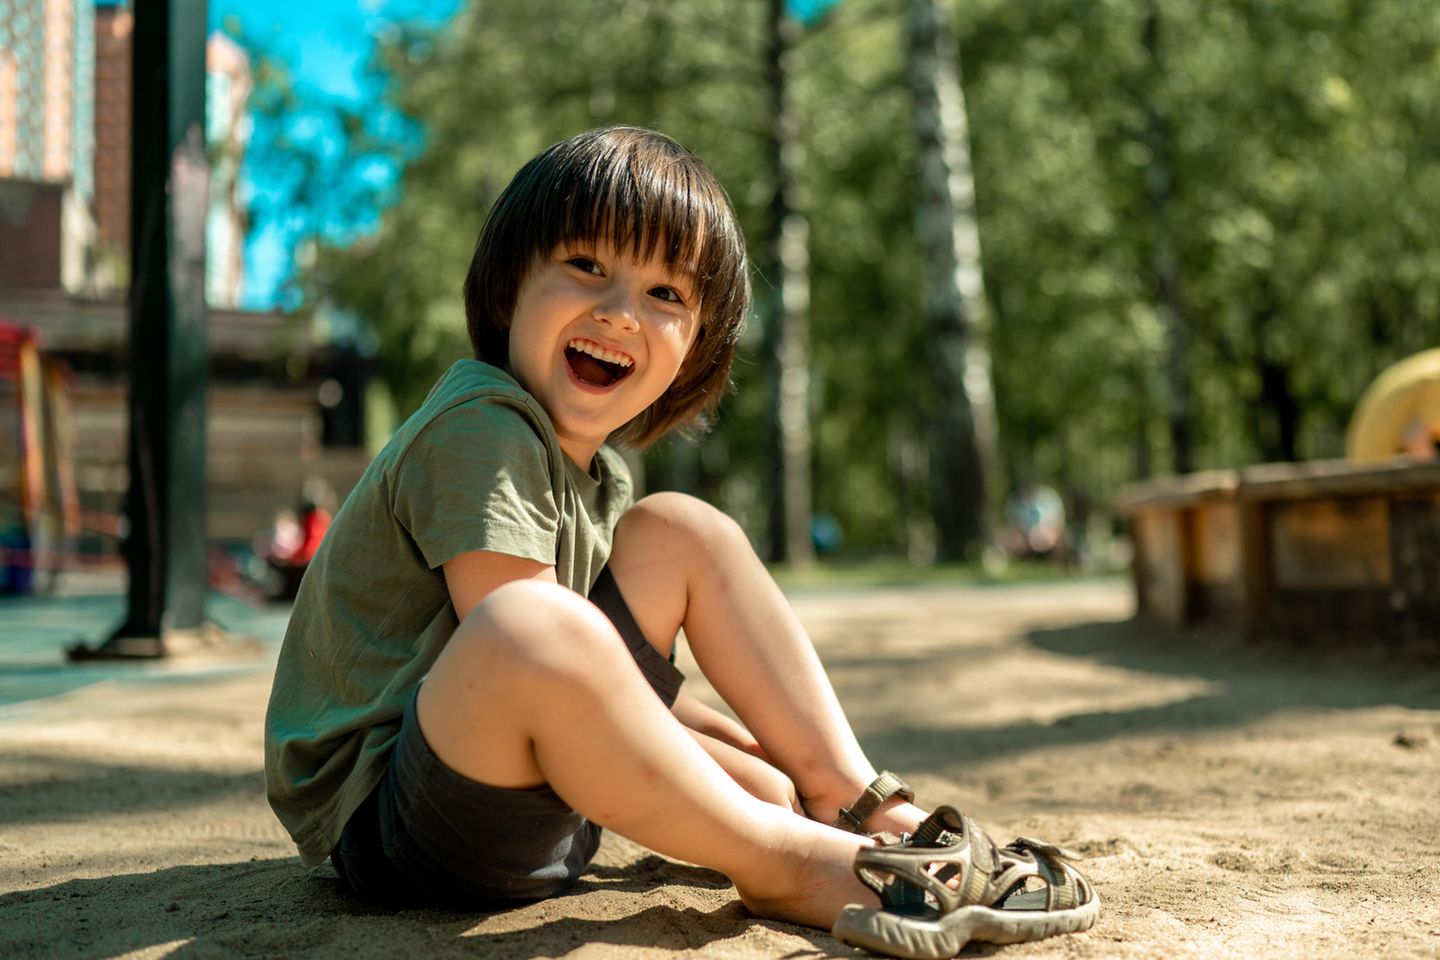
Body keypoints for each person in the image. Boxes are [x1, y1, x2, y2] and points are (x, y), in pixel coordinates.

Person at [264, 127, 1096, 959]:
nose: (620, 312)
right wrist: (746, 802)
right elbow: (527, 652)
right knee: (533, 623)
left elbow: (614, 685)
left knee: (679, 530)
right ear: (508, 282)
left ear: (695, 348)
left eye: (666, 295)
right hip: (402, 822)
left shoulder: (603, 479)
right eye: (587, 266)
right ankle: (796, 862)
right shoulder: (481, 426)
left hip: (524, 789)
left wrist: (767, 765)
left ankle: (861, 803)